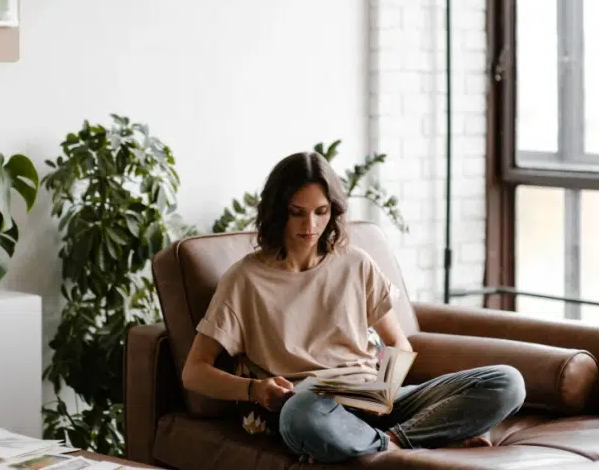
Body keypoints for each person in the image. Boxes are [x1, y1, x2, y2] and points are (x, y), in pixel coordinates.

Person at [181, 151, 526, 464]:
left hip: (374, 399)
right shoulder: (245, 279)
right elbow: (194, 371)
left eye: (321, 212)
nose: (310, 226)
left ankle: (390, 444)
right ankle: (411, 443)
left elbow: (399, 343)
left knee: (507, 382)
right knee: (300, 415)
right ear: (277, 212)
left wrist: (385, 391)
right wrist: (255, 390)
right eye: (297, 213)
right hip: (312, 405)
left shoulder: (355, 263)